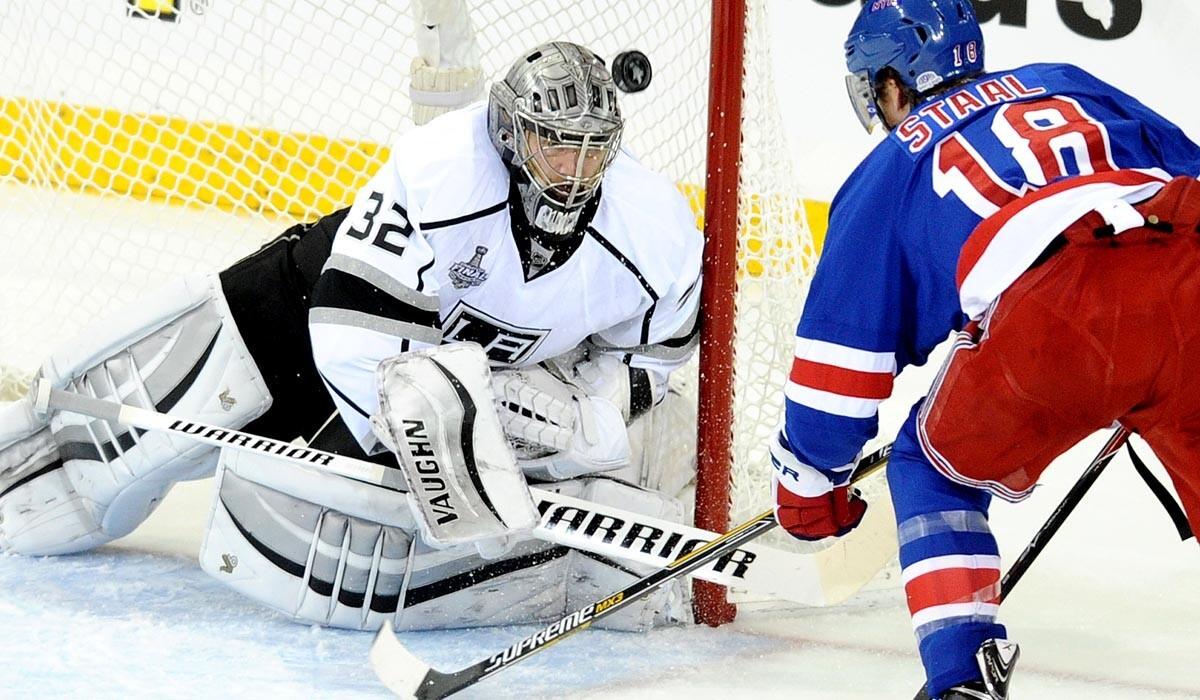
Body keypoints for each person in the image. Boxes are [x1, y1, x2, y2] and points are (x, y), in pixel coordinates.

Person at [0, 41, 703, 633]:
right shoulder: (439, 171)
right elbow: (349, 336)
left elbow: (652, 356)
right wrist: (452, 437)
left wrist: (582, 425)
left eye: (592, 151)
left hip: (431, 377)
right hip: (307, 313)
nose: (575, 174)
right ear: (512, 135)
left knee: (316, 550)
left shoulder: (654, 232)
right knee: (73, 471)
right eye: (556, 148)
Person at [768, 1, 1200, 698]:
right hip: (1189, 260)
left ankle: (962, 674)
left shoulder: (892, 163)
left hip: (1059, 312)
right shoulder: (1064, 78)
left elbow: (839, 365)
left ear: (891, 85)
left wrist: (809, 489)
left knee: (934, 468)